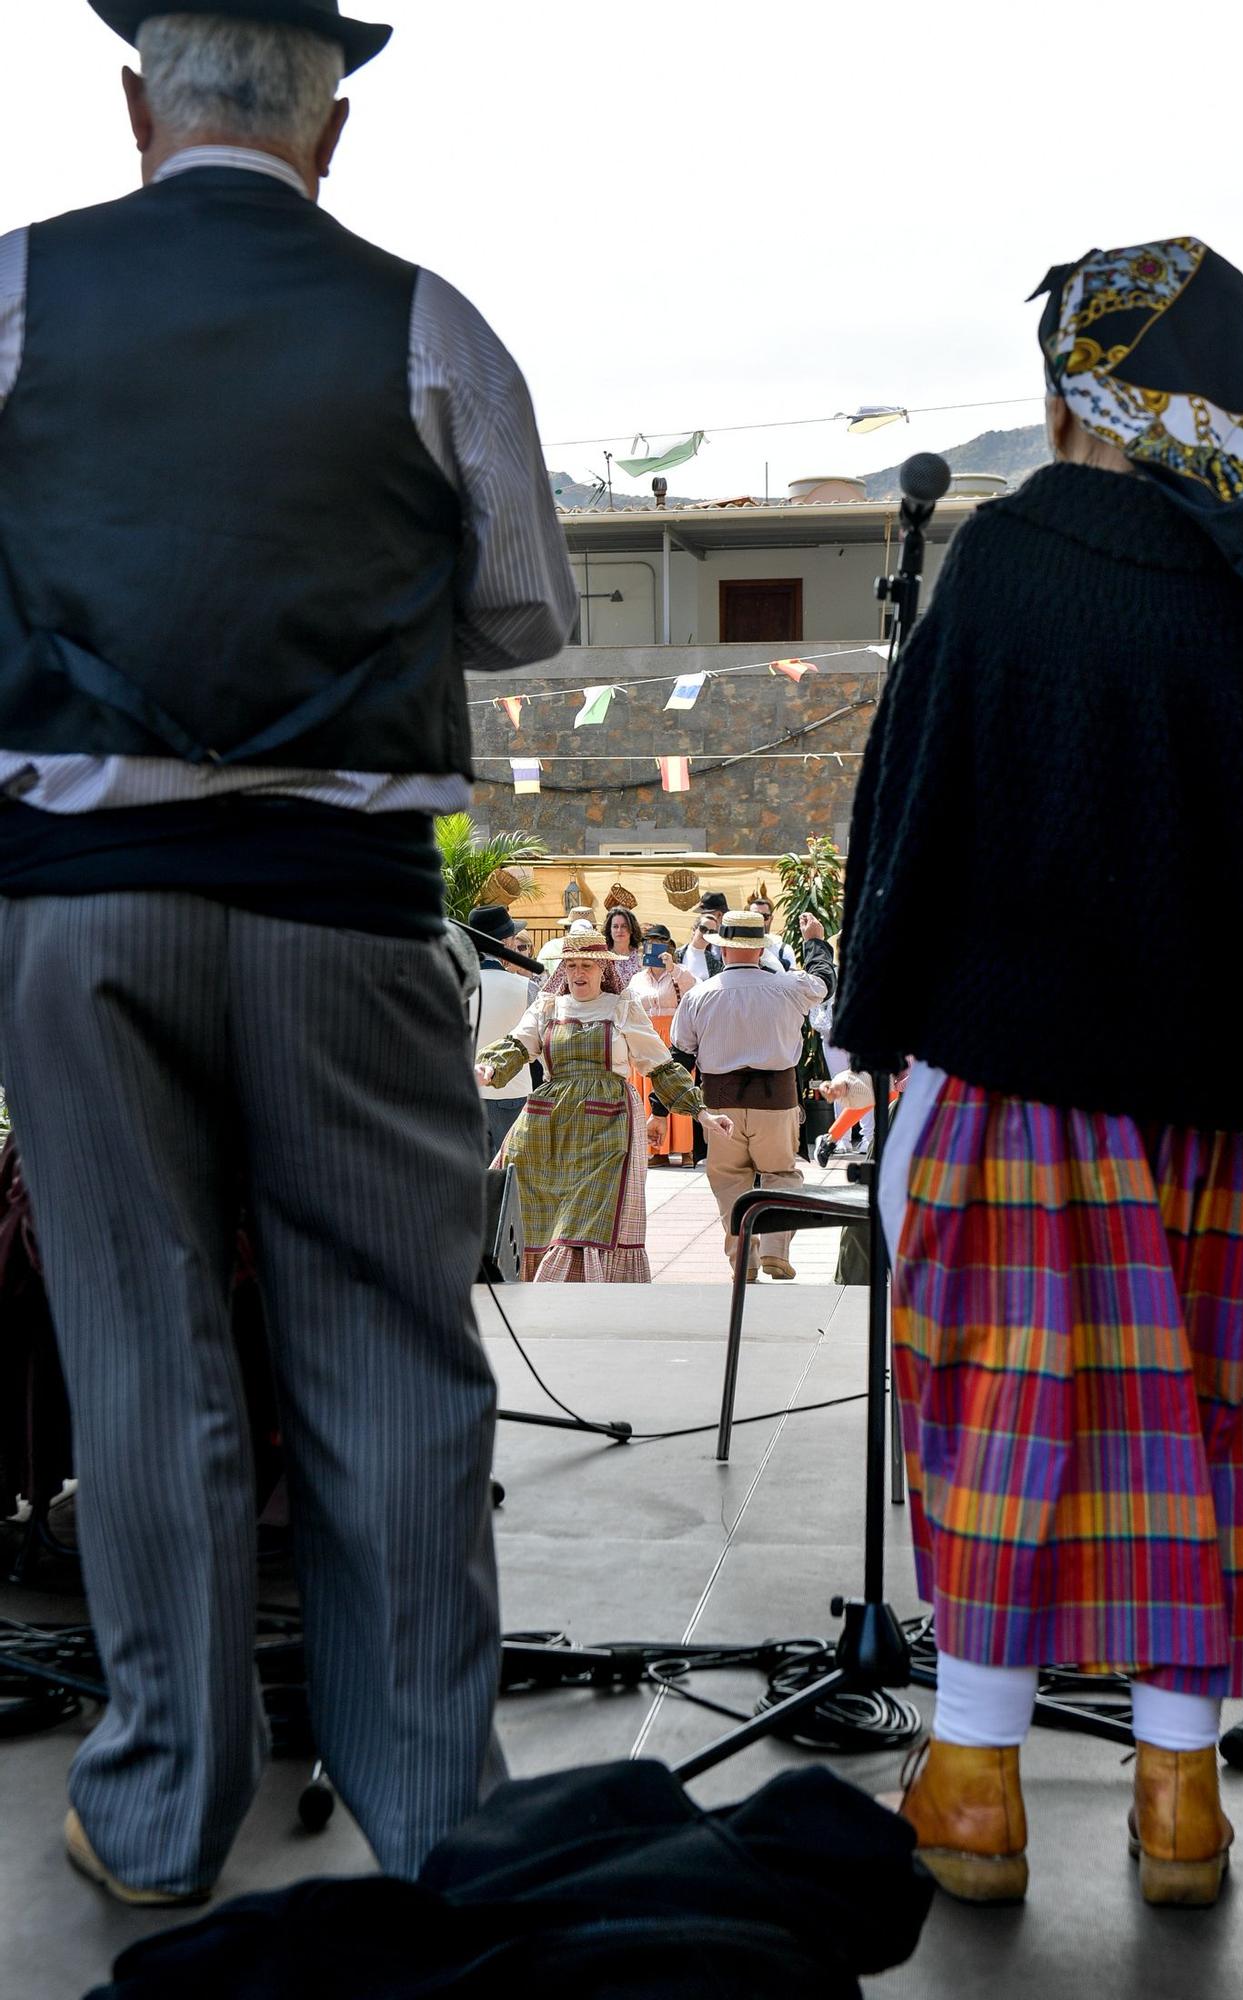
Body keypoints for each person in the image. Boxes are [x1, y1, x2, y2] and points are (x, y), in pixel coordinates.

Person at [0, 2, 578, 1905]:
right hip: (344, 910)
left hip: (81, 904)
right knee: (392, 1351)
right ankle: (436, 1825)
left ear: (131, 107)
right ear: (331, 134)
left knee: (137, 1346)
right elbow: (516, 614)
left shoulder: (12, 293)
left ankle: (162, 1805)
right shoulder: (429, 321)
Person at [834, 237, 1243, 1910]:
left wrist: (875, 1026)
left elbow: (912, 822)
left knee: (1003, 1422)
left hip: (1024, 1096)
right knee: (1207, 1437)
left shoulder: (1007, 562)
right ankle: (1177, 1805)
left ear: (1074, 393)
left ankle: (971, 1782)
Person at [475, 934, 730, 1280]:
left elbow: (661, 1066)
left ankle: (577, 1286)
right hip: (547, 1125)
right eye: (571, 966)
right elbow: (518, 1045)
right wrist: (489, 1069)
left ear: (603, 968)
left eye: (587, 965)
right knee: (521, 1189)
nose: (578, 973)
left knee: (588, 1212)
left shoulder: (621, 1006)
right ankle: (521, 1276)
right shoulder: (548, 1006)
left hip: (607, 1125)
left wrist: (702, 1112)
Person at [670, 909, 834, 1281]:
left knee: (730, 1181)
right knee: (780, 1174)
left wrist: (662, 1110)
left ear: (723, 950)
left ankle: (744, 1257)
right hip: (776, 1098)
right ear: (759, 951)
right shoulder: (788, 988)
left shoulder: (698, 995)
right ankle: (776, 1249)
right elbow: (825, 981)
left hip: (720, 1101)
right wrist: (814, 942)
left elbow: (680, 1054)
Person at [468, 904, 533, 1160]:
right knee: (511, 1170)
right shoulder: (526, 987)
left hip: (467, 1088)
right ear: (505, 942)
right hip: (513, 1091)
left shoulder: (453, 983)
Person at [628, 927, 697, 1163]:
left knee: (678, 1086)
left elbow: (695, 989)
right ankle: (657, 1151)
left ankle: (686, 1148)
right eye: (649, 943)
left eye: (659, 943)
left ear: (668, 946)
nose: (653, 947)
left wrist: (673, 969)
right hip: (647, 1034)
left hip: (674, 1033)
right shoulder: (637, 978)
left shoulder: (680, 973)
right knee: (650, 1089)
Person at [748, 894, 795, 970]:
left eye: (764, 916)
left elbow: (792, 978)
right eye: (754, 916)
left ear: (771, 919)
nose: (759, 921)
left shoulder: (783, 949)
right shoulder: (737, 946)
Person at [680, 906, 724, 982]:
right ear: (694, 929)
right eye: (703, 929)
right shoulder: (677, 954)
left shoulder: (714, 963)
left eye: (711, 932)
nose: (706, 933)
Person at [603, 903, 644, 972]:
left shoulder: (640, 955)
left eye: (624, 926)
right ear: (609, 930)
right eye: (615, 926)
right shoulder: (603, 956)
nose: (619, 930)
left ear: (632, 928)